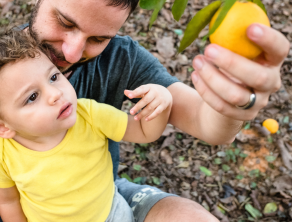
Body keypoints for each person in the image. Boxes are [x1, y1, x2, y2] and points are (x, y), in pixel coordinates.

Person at [18, 0, 289, 221]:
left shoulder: (121, 58)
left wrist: (233, 102)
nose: (72, 52)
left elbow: (206, 122)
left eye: (98, 38)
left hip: (105, 196)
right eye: (65, 22)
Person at [0, 29, 172, 222]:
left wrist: (161, 103)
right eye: (32, 97)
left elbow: (143, 132)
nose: (55, 94)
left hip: (110, 215)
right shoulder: (5, 154)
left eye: (53, 78)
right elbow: (8, 201)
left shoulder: (90, 116)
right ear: (4, 127)